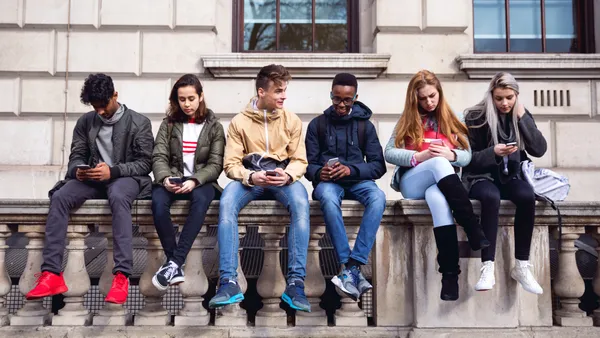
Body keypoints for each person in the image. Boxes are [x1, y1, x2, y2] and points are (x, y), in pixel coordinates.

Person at [26, 73, 154, 304]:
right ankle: (52, 274)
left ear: (115, 95)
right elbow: (76, 155)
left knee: (117, 195)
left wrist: (112, 171)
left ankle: (122, 276)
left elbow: (145, 163)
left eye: (103, 105)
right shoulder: (86, 122)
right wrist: (78, 171)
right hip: (92, 180)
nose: (100, 111)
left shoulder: (139, 122)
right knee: (61, 196)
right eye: (95, 107)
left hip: (124, 179)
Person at [208, 64, 311, 312]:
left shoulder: (292, 120)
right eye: (278, 91)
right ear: (262, 91)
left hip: (282, 179)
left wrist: (286, 175)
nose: (284, 96)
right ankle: (228, 281)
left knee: (300, 203)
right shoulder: (239, 122)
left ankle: (296, 283)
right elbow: (230, 164)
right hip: (249, 180)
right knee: (227, 203)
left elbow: (300, 160)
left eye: (285, 90)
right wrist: (251, 177)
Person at [384, 70, 489, 301]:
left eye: (432, 96)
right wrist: (420, 157)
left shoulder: (454, 118)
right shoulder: (408, 119)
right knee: (438, 164)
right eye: (423, 98)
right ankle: (471, 226)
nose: (429, 102)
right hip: (413, 181)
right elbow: (389, 152)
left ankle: (450, 276)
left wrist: (450, 154)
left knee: (439, 200)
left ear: (439, 92)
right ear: (415, 99)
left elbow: (467, 156)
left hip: (440, 183)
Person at [463, 72, 547, 294]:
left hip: (511, 177)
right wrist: (494, 152)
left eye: (509, 97)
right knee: (491, 197)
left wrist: (522, 118)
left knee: (527, 196)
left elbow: (539, 149)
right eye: (499, 98)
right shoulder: (475, 117)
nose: (504, 103)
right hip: (480, 177)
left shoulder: (521, 115)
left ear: (516, 95)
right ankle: (487, 266)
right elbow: (468, 159)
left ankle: (521, 265)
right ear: (491, 95)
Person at [304, 73, 386, 301]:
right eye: (337, 99)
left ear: (355, 98)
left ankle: (353, 265)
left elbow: (378, 166)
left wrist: (352, 170)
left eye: (347, 100)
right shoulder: (317, 125)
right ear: (331, 96)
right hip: (329, 184)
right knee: (328, 200)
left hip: (359, 182)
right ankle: (347, 265)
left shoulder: (365, 127)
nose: (341, 104)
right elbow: (307, 165)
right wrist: (321, 172)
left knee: (378, 197)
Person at [150, 74, 225, 291]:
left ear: (200, 97)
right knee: (157, 201)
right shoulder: (169, 125)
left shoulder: (214, 127)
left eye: (191, 98)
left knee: (201, 201)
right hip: (173, 179)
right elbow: (159, 156)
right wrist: (164, 179)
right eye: (182, 99)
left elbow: (215, 164)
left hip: (202, 183)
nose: (187, 104)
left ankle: (174, 262)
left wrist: (194, 180)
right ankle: (174, 262)